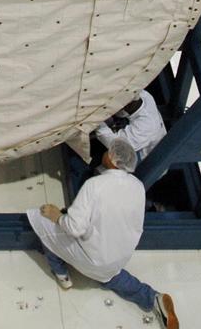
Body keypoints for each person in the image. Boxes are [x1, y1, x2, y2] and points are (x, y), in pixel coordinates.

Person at [27, 137, 179, 328]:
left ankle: (62, 274)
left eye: (108, 151)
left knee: (42, 221)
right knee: (110, 275)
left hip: (94, 259)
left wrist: (57, 216)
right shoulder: (138, 187)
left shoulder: (95, 185)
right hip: (119, 258)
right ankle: (153, 297)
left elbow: (75, 227)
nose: (106, 153)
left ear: (112, 160)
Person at [95, 90, 166, 162]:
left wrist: (98, 122)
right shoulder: (143, 94)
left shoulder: (144, 126)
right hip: (141, 136)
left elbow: (117, 145)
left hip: (145, 158)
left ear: (127, 106)